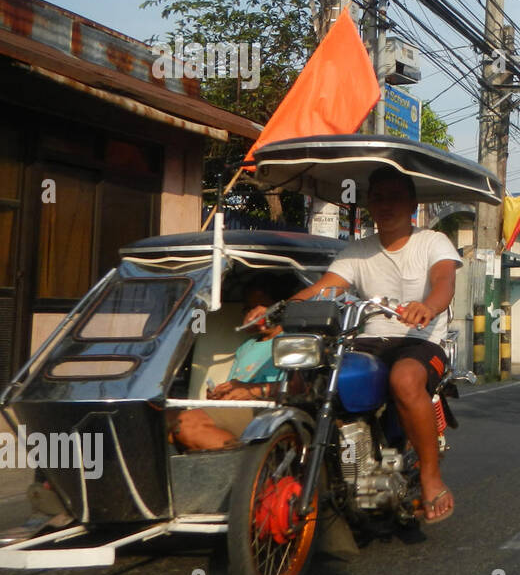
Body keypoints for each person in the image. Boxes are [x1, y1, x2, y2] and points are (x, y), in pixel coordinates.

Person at [248, 166, 461, 525]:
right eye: (378, 197)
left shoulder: (433, 242)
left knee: (405, 380)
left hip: (420, 340)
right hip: (365, 340)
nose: (386, 205)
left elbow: (444, 282)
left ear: (411, 203)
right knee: (309, 379)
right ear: (368, 204)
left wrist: (428, 306)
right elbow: (325, 288)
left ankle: (429, 476)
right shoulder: (356, 251)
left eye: (395, 197)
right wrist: (277, 313)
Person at [171, 282, 289, 451]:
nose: (253, 314)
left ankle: (245, 467)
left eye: (260, 307)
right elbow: (235, 384)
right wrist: (219, 393)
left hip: (264, 409)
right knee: (166, 420)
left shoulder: (293, 341)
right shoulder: (246, 347)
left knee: (186, 425)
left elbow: (299, 388)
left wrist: (252, 391)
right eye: (248, 309)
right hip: (234, 408)